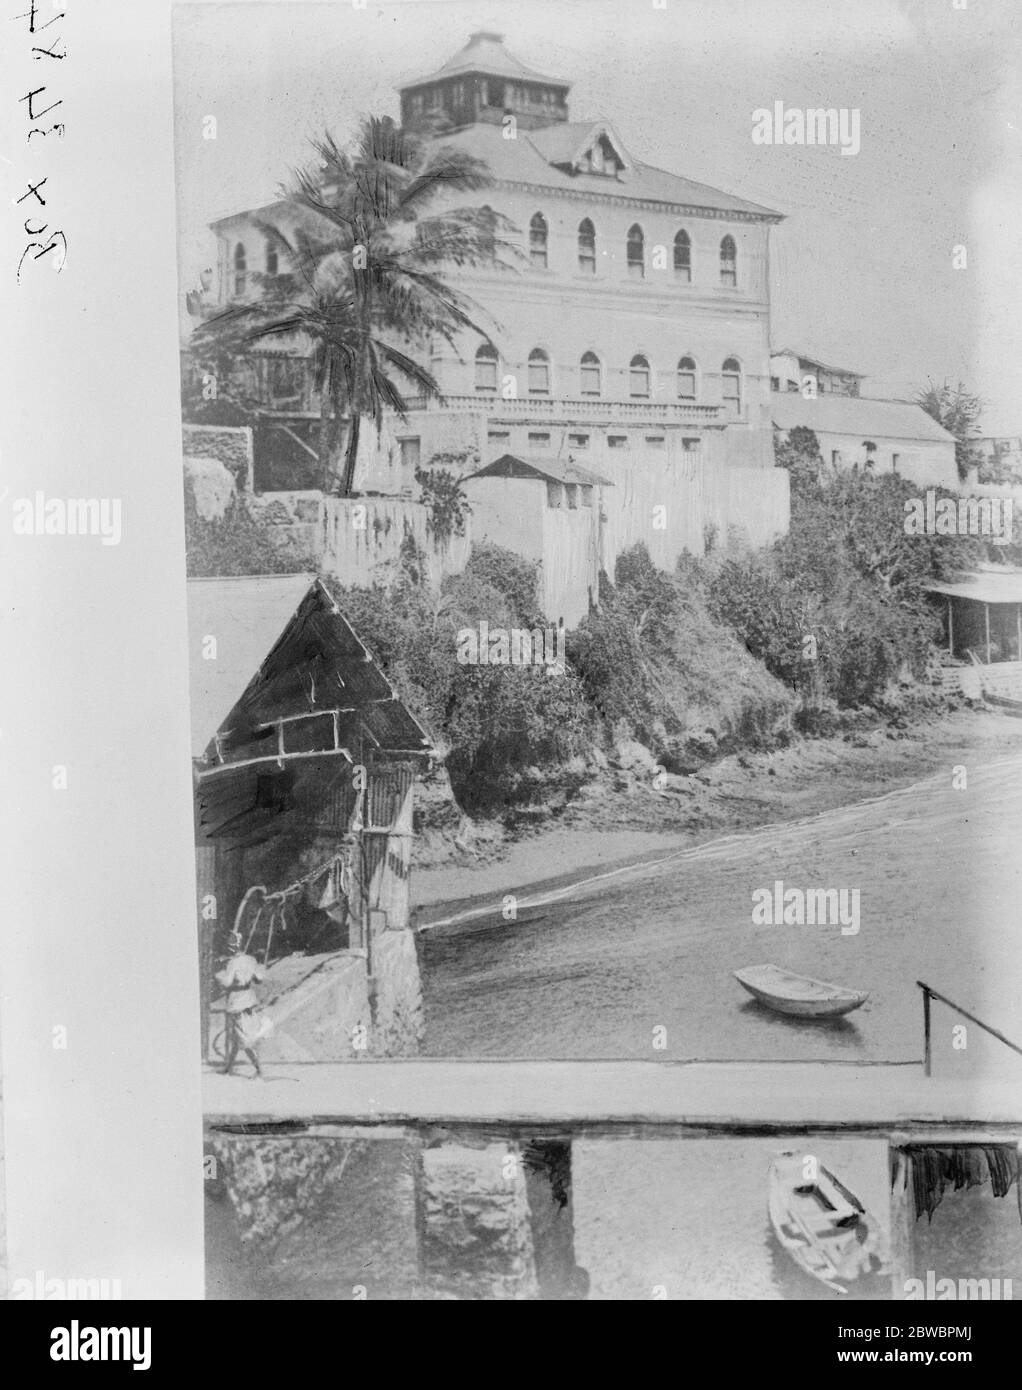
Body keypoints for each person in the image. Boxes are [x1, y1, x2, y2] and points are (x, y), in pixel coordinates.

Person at [215, 935, 269, 1077]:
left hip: (237, 1002)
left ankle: (259, 1070)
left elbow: (226, 982)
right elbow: (259, 979)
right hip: (249, 1000)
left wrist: (219, 973)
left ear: (231, 947)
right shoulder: (251, 960)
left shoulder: (232, 963)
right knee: (237, 1037)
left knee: (242, 1038)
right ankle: (228, 1069)